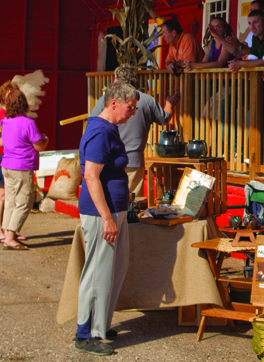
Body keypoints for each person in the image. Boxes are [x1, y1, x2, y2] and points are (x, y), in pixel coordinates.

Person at [75, 81, 140, 356]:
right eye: (130, 107)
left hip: (115, 209)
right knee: (97, 273)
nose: (133, 112)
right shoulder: (100, 130)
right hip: (102, 212)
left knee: (114, 269)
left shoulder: (111, 129)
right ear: (114, 102)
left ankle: (101, 325)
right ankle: (85, 332)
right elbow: (91, 175)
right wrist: (107, 218)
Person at [88, 64, 178, 199]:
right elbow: (164, 119)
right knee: (133, 202)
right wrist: (169, 104)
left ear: (116, 78)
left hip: (110, 159)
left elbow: (93, 122)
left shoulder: (107, 100)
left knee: (112, 200)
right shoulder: (147, 100)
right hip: (133, 160)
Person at [0, 90, 49, 250]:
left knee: (10, 201)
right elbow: (39, 146)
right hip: (22, 166)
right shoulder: (28, 123)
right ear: (24, 104)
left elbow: (1, 142)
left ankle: (7, 234)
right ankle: (11, 236)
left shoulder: (4, 121)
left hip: (6, 165)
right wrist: (45, 139)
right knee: (24, 202)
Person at [0, 80, 20, 244]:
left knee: (12, 196)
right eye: (10, 95)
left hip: (10, 156)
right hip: (0, 155)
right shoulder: (1, 115)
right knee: (2, 195)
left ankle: (10, 230)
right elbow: (2, 140)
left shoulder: (15, 115)